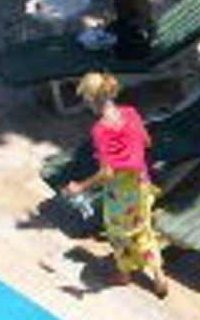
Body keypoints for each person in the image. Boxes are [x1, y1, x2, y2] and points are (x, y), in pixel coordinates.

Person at [60, 70, 170, 299]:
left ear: (91, 100)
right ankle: (158, 275)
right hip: (140, 183)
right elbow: (147, 142)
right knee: (142, 228)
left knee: (119, 233)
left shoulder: (100, 130)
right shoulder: (131, 113)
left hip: (119, 193)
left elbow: (107, 172)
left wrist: (80, 187)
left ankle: (124, 274)